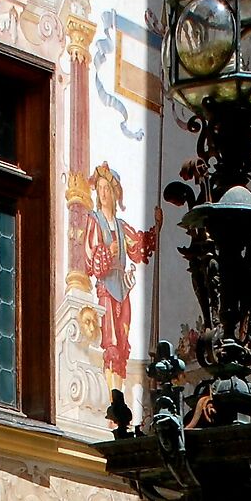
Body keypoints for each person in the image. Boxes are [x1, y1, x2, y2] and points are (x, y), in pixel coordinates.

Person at [83, 161, 162, 381]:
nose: (104, 193)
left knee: (123, 335)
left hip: (122, 287)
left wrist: (157, 227)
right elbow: (90, 253)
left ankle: (118, 393)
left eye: (107, 188)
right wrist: (108, 251)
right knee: (110, 341)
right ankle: (113, 397)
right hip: (106, 288)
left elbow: (138, 247)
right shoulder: (95, 221)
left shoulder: (120, 225)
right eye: (100, 189)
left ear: (116, 193)